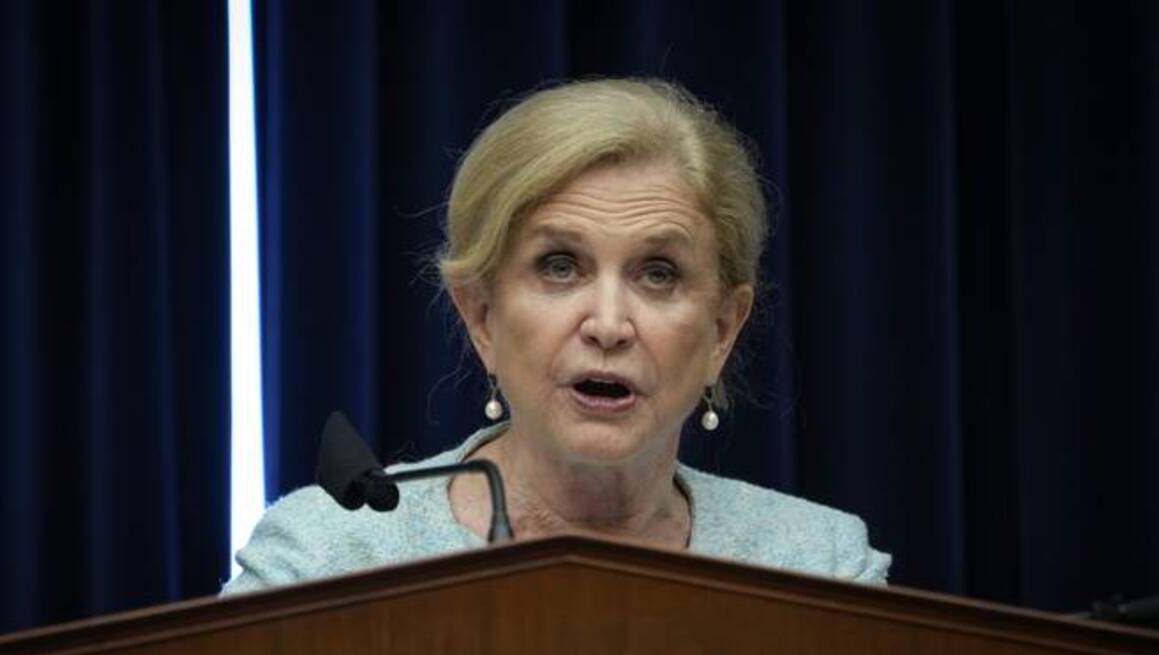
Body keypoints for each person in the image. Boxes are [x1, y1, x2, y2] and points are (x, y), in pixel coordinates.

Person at [222, 78, 890, 595]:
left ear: (722, 329)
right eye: (559, 266)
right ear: (480, 315)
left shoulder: (818, 567)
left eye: (657, 273)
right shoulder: (325, 555)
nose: (606, 324)